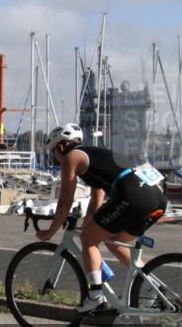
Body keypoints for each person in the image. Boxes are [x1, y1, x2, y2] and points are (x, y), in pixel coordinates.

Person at [37, 124, 168, 313]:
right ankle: (154, 288)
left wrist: (50, 231)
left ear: (61, 146)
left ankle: (96, 297)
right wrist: (88, 225)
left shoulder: (71, 158)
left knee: (88, 240)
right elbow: (96, 201)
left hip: (133, 196)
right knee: (114, 243)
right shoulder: (94, 156)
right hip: (156, 198)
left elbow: (65, 202)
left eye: (53, 152)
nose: (55, 157)